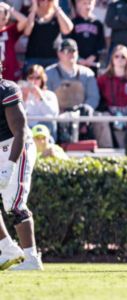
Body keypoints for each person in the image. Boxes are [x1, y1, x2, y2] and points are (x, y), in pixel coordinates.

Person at [0, 63, 42, 271]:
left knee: (15, 203)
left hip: (16, 147)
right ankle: (7, 247)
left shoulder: (6, 89)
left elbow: (20, 130)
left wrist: (9, 164)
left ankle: (31, 258)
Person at [96, 45, 127, 148]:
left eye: (123, 57)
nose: (119, 59)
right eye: (116, 56)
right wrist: (106, 111)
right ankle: (107, 151)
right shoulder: (103, 79)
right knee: (99, 117)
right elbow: (98, 99)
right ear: (112, 59)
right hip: (111, 115)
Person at [46, 39, 99, 112]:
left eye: (73, 51)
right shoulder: (49, 73)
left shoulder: (88, 74)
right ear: (59, 53)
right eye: (66, 51)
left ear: (77, 53)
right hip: (56, 115)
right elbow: (46, 98)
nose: (70, 54)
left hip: (81, 117)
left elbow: (93, 97)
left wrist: (86, 109)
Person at [23, 0, 74, 70]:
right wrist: (33, 11)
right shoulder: (31, 14)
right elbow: (27, 32)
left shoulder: (58, 14)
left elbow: (67, 30)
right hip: (34, 58)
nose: (45, 2)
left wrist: (57, 8)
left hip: (54, 58)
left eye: (49, 0)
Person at [20, 64, 59, 139]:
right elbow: (18, 116)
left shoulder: (50, 95)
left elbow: (53, 115)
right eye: (31, 78)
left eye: (37, 78)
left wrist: (40, 97)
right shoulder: (22, 94)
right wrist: (24, 99)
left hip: (45, 132)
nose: (34, 81)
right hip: (28, 132)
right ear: (27, 79)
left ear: (42, 79)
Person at [67, 0, 106, 75]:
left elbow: (101, 44)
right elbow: (70, 42)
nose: (88, 6)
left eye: (90, 3)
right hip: (77, 62)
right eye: (84, 3)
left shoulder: (98, 24)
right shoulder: (73, 23)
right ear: (78, 4)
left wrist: (93, 57)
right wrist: (78, 58)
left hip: (93, 63)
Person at [0, 2, 28, 81]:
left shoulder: (9, 31)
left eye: (3, 19)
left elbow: (24, 21)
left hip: (10, 71)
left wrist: (9, 8)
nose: (0, 22)